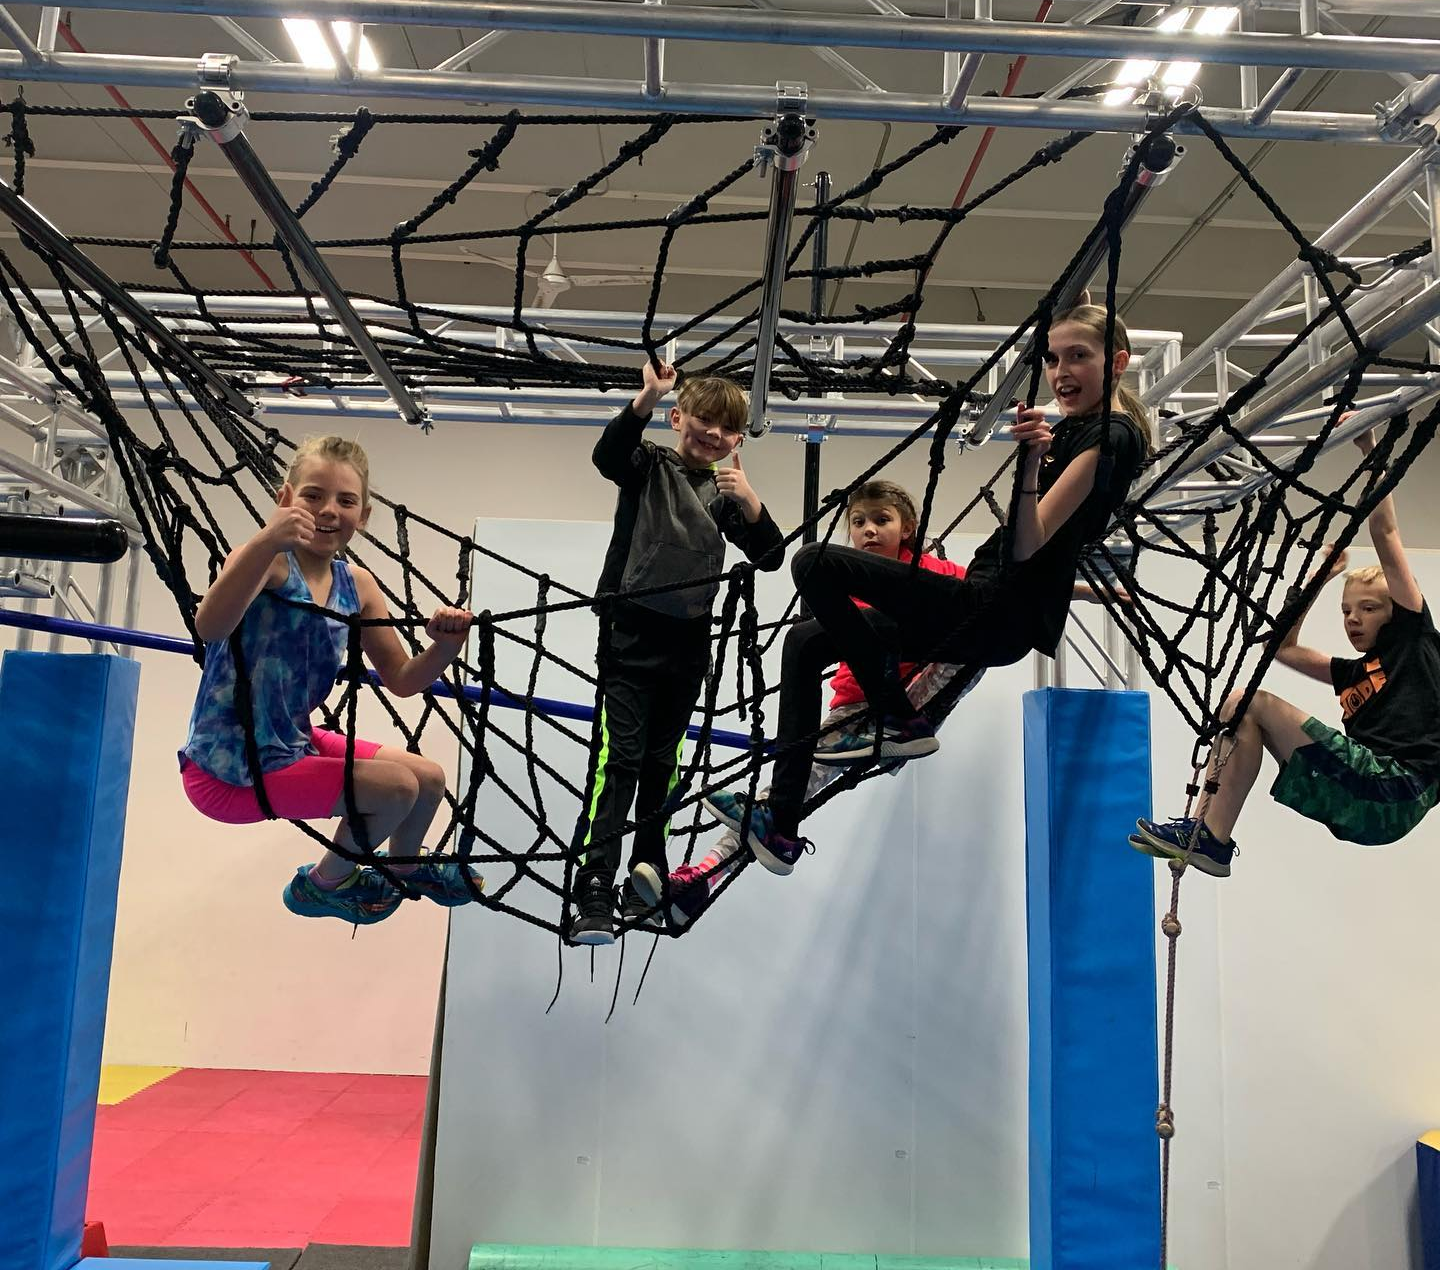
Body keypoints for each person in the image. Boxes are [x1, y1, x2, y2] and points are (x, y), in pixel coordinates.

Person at [702, 303, 1152, 872]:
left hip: (993, 609)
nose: (1061, 372)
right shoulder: (1082, 429)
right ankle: (782, 823)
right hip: (992, 607)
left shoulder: (1111, 435)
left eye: (1078, 357)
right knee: (805, 641)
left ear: (1117, 362)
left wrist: (1031, 463)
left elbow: (1028, 546)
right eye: (1053, 358)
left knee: (815, 562)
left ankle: (896, 717)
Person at [180, 435, 481, 925]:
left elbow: (403, 680)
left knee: (429, 778)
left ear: (362, 516)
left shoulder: (356, 583)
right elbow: (210, 628)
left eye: (346, 501)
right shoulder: (268, 561)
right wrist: (265, 540)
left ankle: (401, 871)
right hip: (230, 768)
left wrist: (445, 645)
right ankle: (322, 885)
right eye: (313, 495)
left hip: (291, 741)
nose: (328, 510)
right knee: (396, 788)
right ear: (285, 500)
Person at [1132, 419, 1440, 876]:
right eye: (1347, 611)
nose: (1354, 619)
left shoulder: (1413, 640)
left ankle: (1210, 838)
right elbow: (1283, 649)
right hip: (1363, 804)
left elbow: (1386, 534)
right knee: (1241, 716)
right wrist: (1321, 576)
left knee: (1245, 703)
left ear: (1395, 611)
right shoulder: (1355, 673)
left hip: (1394, 787)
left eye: (1369, 609)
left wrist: (1369, 447)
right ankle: (1203, 834)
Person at [672, 479, 970, 925]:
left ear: (907, 528)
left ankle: (902, 727)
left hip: (907, 699)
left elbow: (987, 602)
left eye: (881, 520)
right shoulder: (848, 576)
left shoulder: (931, 570)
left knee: (971, 636)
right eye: (859, 522)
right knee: (778, 798)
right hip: (850, 712)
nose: (869, 530)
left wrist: (1073, 591)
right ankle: (705, 874)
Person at [572, 361, 785, 945]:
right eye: (702, 421)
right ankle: (595, 880)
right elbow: (608, 456)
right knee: (622, 758)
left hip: (688, 642)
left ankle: (649, 867)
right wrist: (644, 396)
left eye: (725, 428)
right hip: (630, 632)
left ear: (737, 440)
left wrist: (752, 505)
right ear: (678, 419)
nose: (711, 434)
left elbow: (770, 556)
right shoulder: (649, 468)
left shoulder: (723, 491)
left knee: (664, 763)